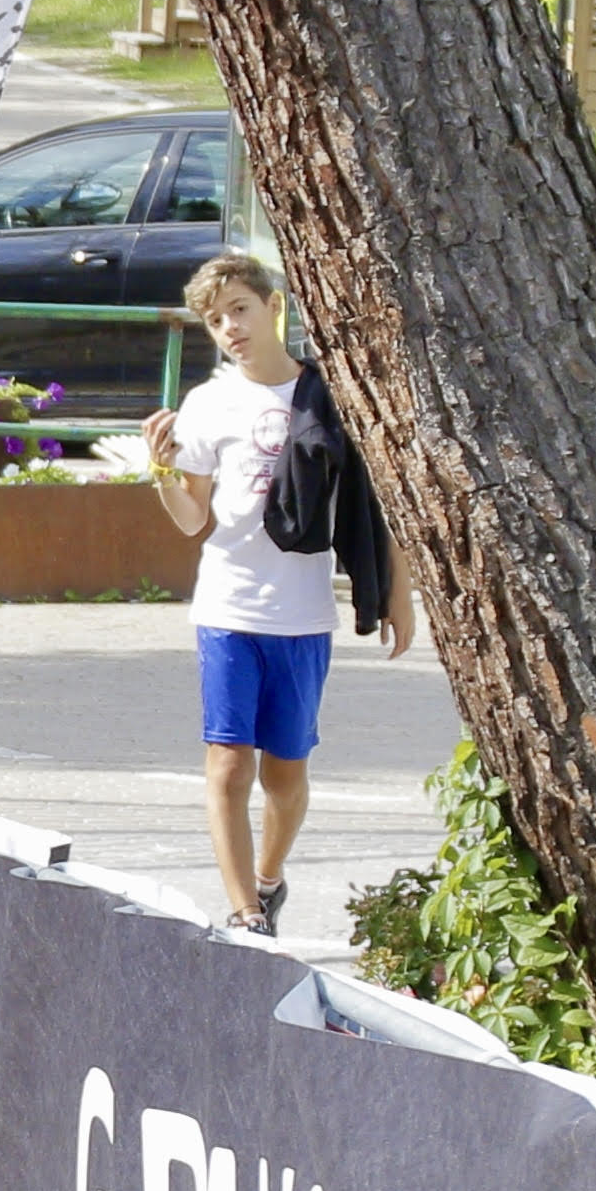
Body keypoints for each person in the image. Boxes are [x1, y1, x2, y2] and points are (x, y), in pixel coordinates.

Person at [143, 251, 415, 935]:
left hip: (302, 613)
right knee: (228, 764)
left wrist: (398, 595)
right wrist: (161, 471)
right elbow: (193, 520)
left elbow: (380, 506)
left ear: (273, 307)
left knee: (285, 777)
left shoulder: (327, 395)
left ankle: (268, 880)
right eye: (215, 320)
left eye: (239, 309)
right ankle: (245, 914)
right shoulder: (208, 404)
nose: (230, 328)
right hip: (227, 607)